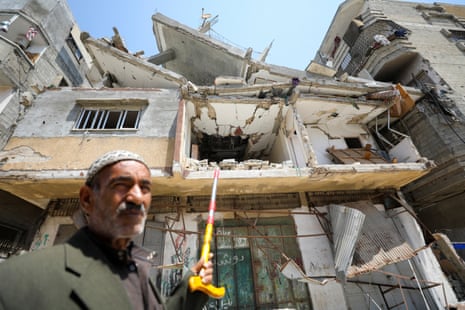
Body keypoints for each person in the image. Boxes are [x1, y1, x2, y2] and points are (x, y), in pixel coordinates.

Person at [0, 150, 213, 309]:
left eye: (145, 188)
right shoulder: (20, 278)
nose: (137, 197)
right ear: (87, 199)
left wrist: (190, 288)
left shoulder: (136, 270)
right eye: (121, 185)